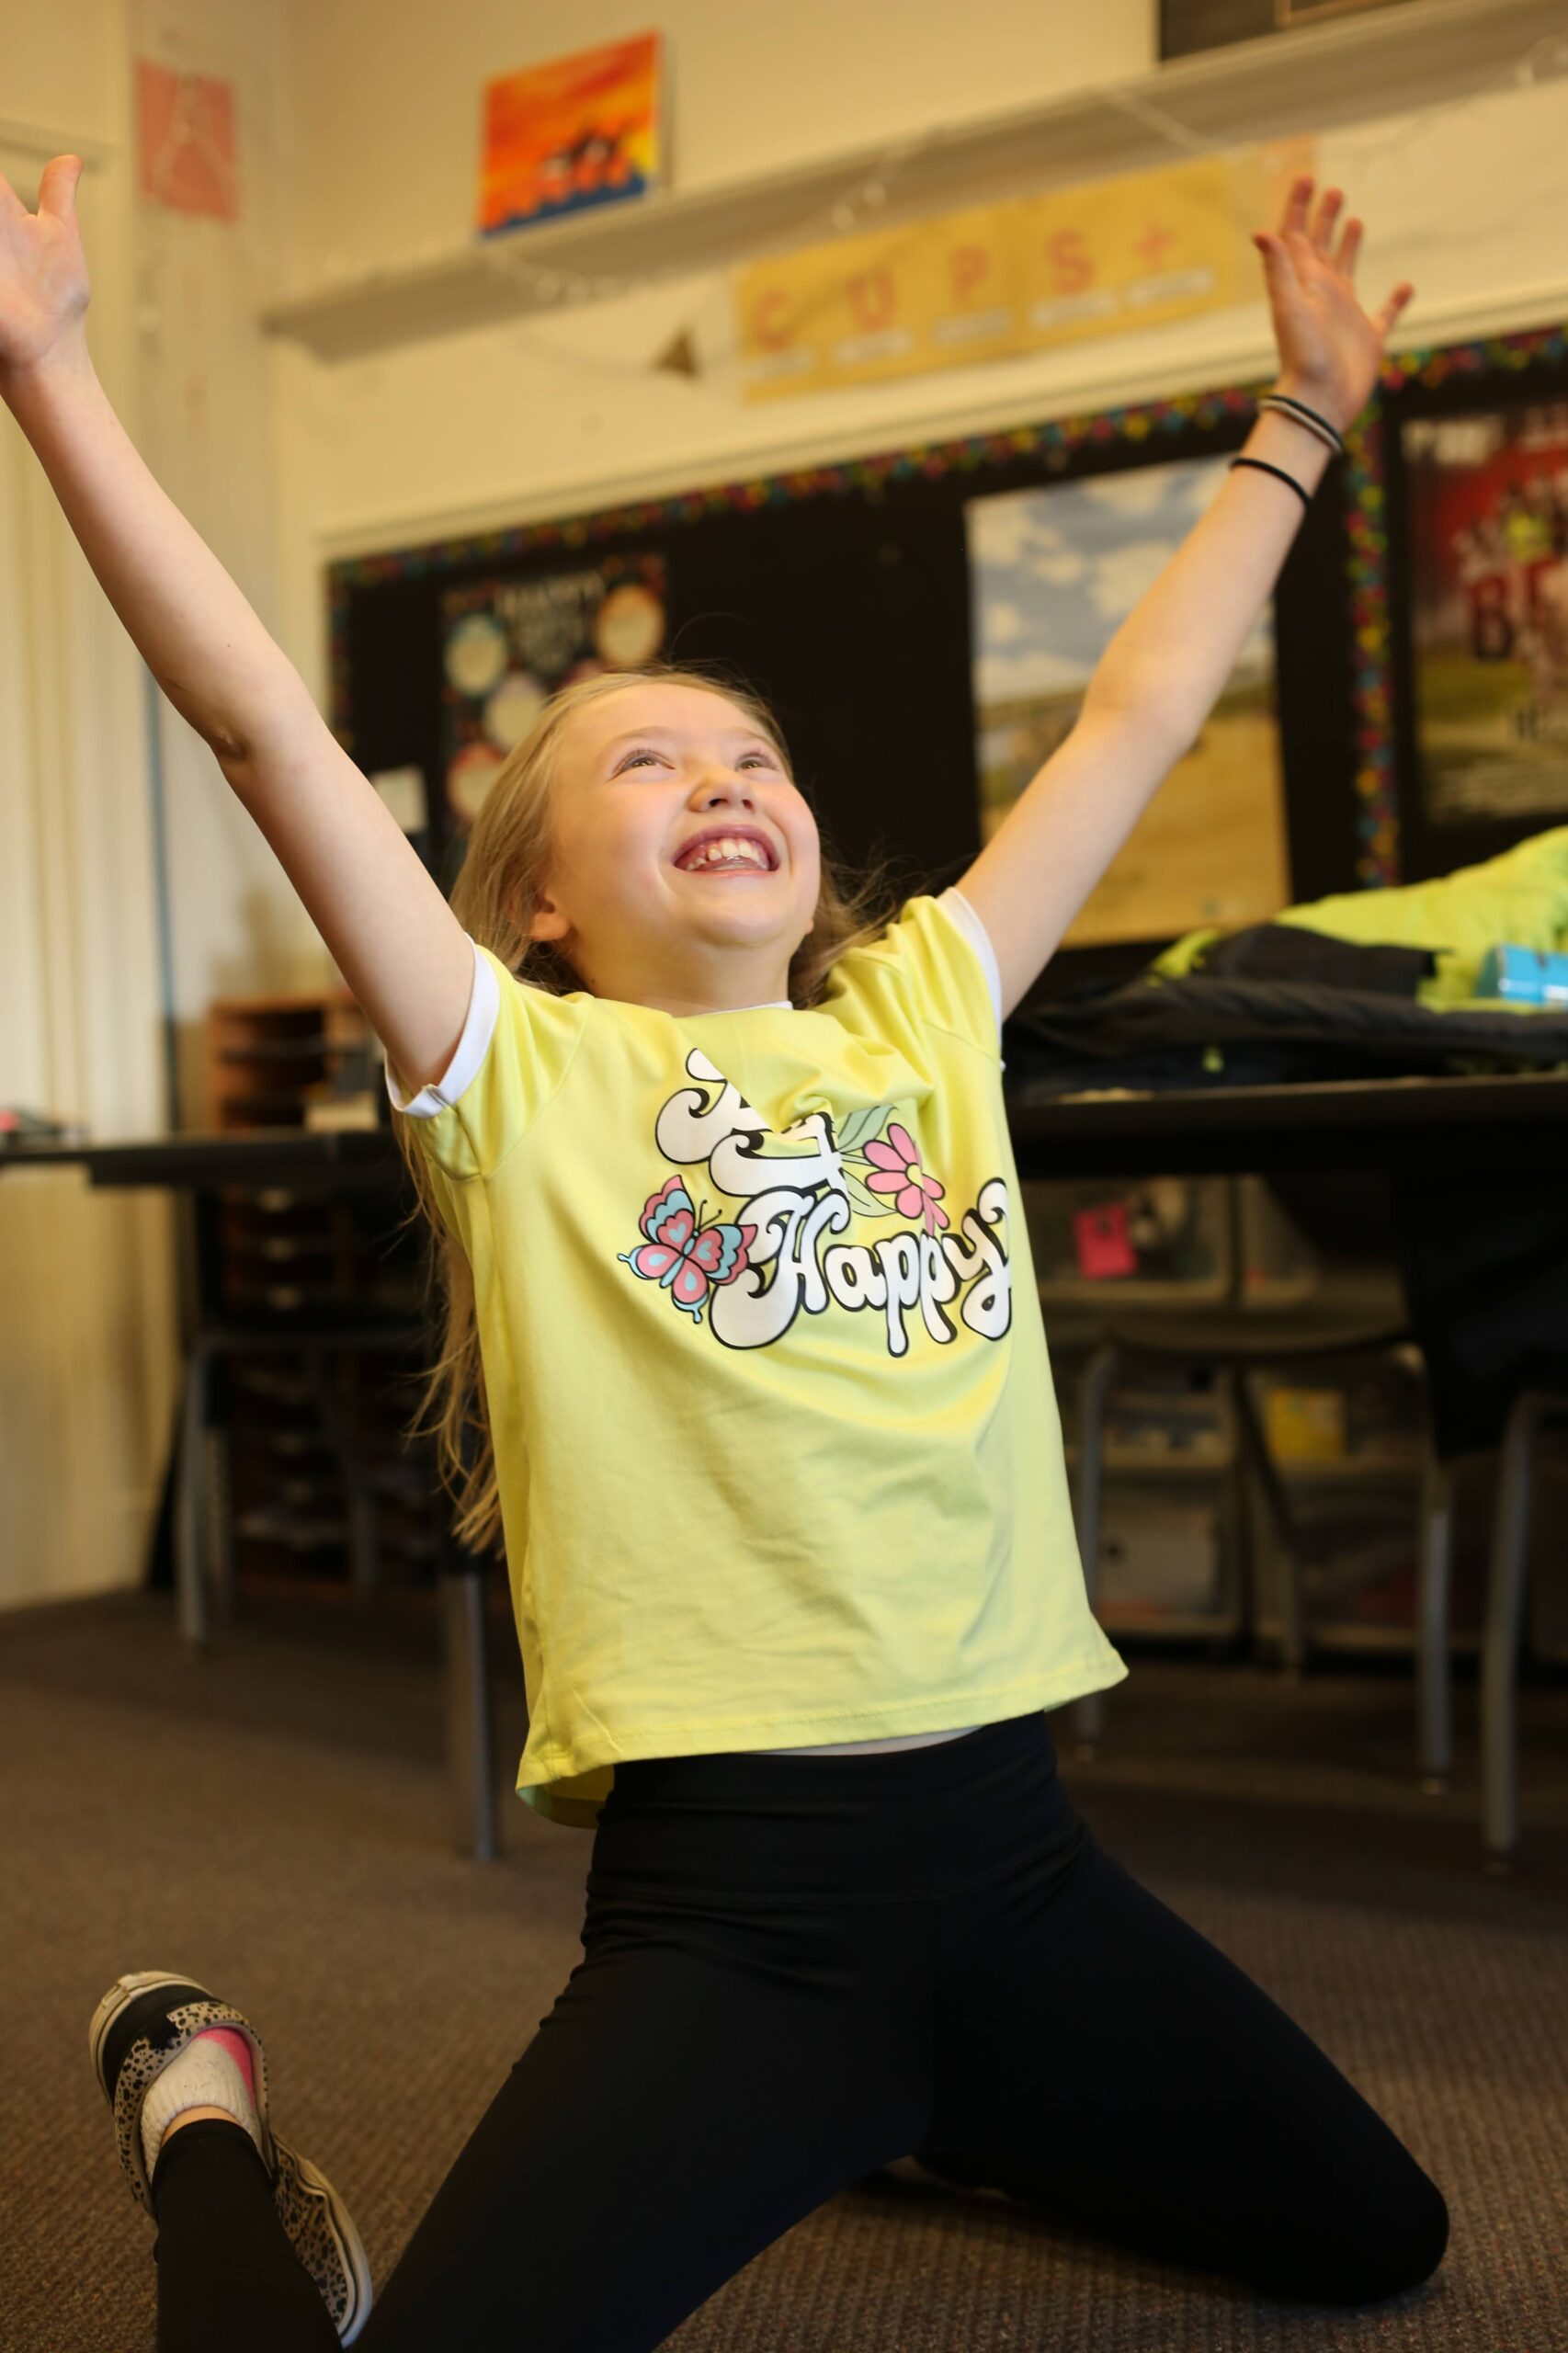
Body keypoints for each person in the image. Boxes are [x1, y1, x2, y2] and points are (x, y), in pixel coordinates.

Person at [1, 158, 1445, 2351]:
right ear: (541, 896)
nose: (720, 775)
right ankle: (201, 2111)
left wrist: (1305, 417)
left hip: (1025, 1874)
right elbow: (262, 724)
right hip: (737, 1926)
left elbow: (1135, 713)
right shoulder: (511, 1062)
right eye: (645, 761)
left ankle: (947, 2098)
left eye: (750, 752)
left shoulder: (924, 1007)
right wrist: (51, 374)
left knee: (1379, 2236)